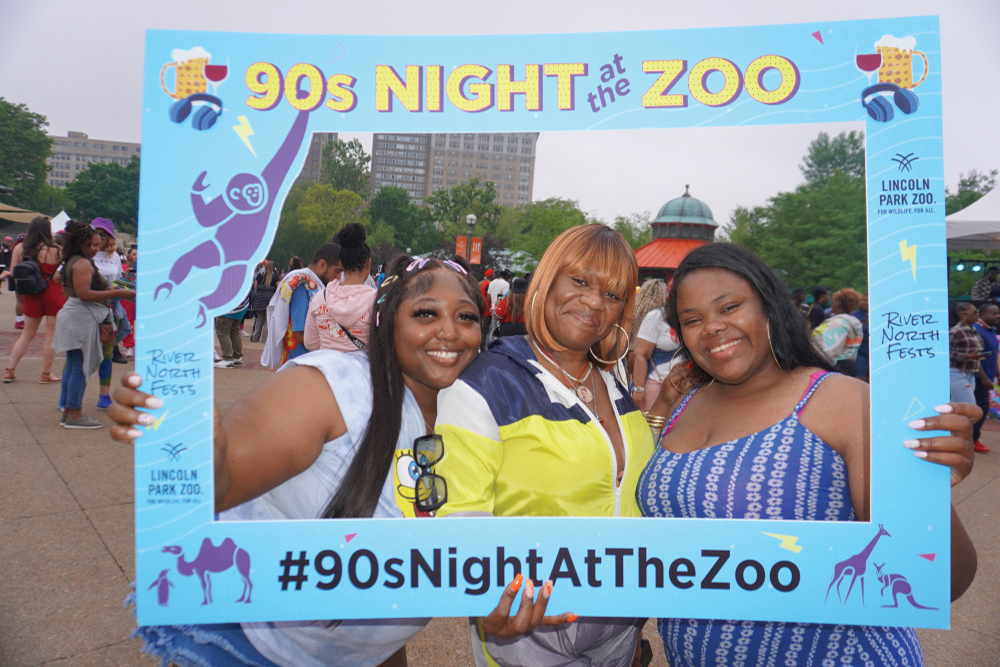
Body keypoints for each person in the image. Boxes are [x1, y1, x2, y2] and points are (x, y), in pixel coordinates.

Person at [111, 255, 559, 666]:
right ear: (386, 323)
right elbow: (218, 484)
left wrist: (493, 612)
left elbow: (392, 576)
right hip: (251, 647)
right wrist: (186, 442)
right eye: (426, 313)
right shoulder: (332, 389)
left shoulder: (478, 420)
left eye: (466, 317)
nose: (450, 331)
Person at [639, 243, 977, 667]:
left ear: (769, 306)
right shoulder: (684, 404)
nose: (711, 327)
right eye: (692, 320)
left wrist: (926, 488)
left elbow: (938, 580)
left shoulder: (844, 401)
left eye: (729, 308)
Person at [435, 224, 650, 667]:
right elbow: (460, 515)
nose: (594, 302)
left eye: (612, 295)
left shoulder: (613, 381)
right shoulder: (487, 383)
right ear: (547, 280)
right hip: (533, 630)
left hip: (622, 627)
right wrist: (487, 605)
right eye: (580, 281)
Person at [53, 220, 134, 428]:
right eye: (93, 245)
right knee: (78, 367)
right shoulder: (81, 263)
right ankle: (74, 415)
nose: (96, 249)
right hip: (81, 318)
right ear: (81, 243)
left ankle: (70, 411)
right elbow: (84, 294)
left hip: (77, 316)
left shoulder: (75, 260)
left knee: (74, 366)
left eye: (98, 245)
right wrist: (117, 292)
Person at [4, 217, 66, 384]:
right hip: (53, 292)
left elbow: (13, 272)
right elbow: (63, 273)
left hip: (32, 293)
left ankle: (10, 370)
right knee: (50, 335)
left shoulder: (20, 248)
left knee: (26, 335)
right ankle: (46, 373)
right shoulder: (57, 249)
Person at [261, 243, 342, 369]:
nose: (338, 278)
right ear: (322, 265)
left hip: (303, 361)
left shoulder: (310, 283)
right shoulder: (303, 285)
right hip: (301, 362)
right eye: (337, 271)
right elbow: (300, 335)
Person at [304, 223, 377, 352]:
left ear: (341, 264)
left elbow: (310, 343)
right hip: (361, 370)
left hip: (327, 368)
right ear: (368, 263)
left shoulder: (321, 297)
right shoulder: (376, 300)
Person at [90, 218, 130, 409]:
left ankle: (104, 397)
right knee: (80, 355)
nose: (99, 237)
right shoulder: (83, 253)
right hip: (87, 310)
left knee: (106, 354)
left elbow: (119, 280)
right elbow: (61, 275)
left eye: (104, 233)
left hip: (109, 310)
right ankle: (68, 398)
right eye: (96, 232)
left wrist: (129, 287)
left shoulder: (113, 256)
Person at [630, 281, 681, 411]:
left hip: (684, 386)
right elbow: (640, 354)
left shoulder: (690, 316)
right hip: (656, 384)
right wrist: (639, 389)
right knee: (652, 429)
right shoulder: (656, 317)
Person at [812, 287, 864, 375]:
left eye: (833, 301)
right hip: (849, 366)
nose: (832, 305)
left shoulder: (838, 323)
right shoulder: (854, 323)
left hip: (835, 367)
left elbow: (830, 351)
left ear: (838, 303)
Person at [972, 302, 999, 453]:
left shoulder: (991, 330)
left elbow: (993, 354)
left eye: (998, 313)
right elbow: (977, 358)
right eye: (994, 313)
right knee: (980, 410)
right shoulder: (977, 331)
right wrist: (984, 378)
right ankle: (973, 440)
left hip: (987, 377)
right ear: (982, 314)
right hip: (976, 378)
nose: (998, 316)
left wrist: (997, 374)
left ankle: (971, 438)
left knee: (981, 409)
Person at [950, 302, 986, 407]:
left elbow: (979, 346)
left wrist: (980, 353)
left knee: (958, 408)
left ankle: (948, 423)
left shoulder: (973, 331)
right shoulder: (956, 331)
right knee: (969, 408)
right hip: (957, 373)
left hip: (970, 374)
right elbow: (946, 354)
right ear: (963, 314)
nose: (978, 315)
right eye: (975, 312)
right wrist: (967, 356)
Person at [214, 290, 251, 368]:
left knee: (223, 332)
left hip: (229, 309)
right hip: (241, 307)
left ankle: (227, 358)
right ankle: (237, 357)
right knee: (234, 332)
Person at [250, 260, 278, 343]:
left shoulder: (259, 275)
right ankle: (265, 339)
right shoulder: (275, 277)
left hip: (259, 299)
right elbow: (279, 287)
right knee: (267, 320)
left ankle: (255, 337)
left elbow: (255, 287)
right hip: (270, 300)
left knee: (259, 319)